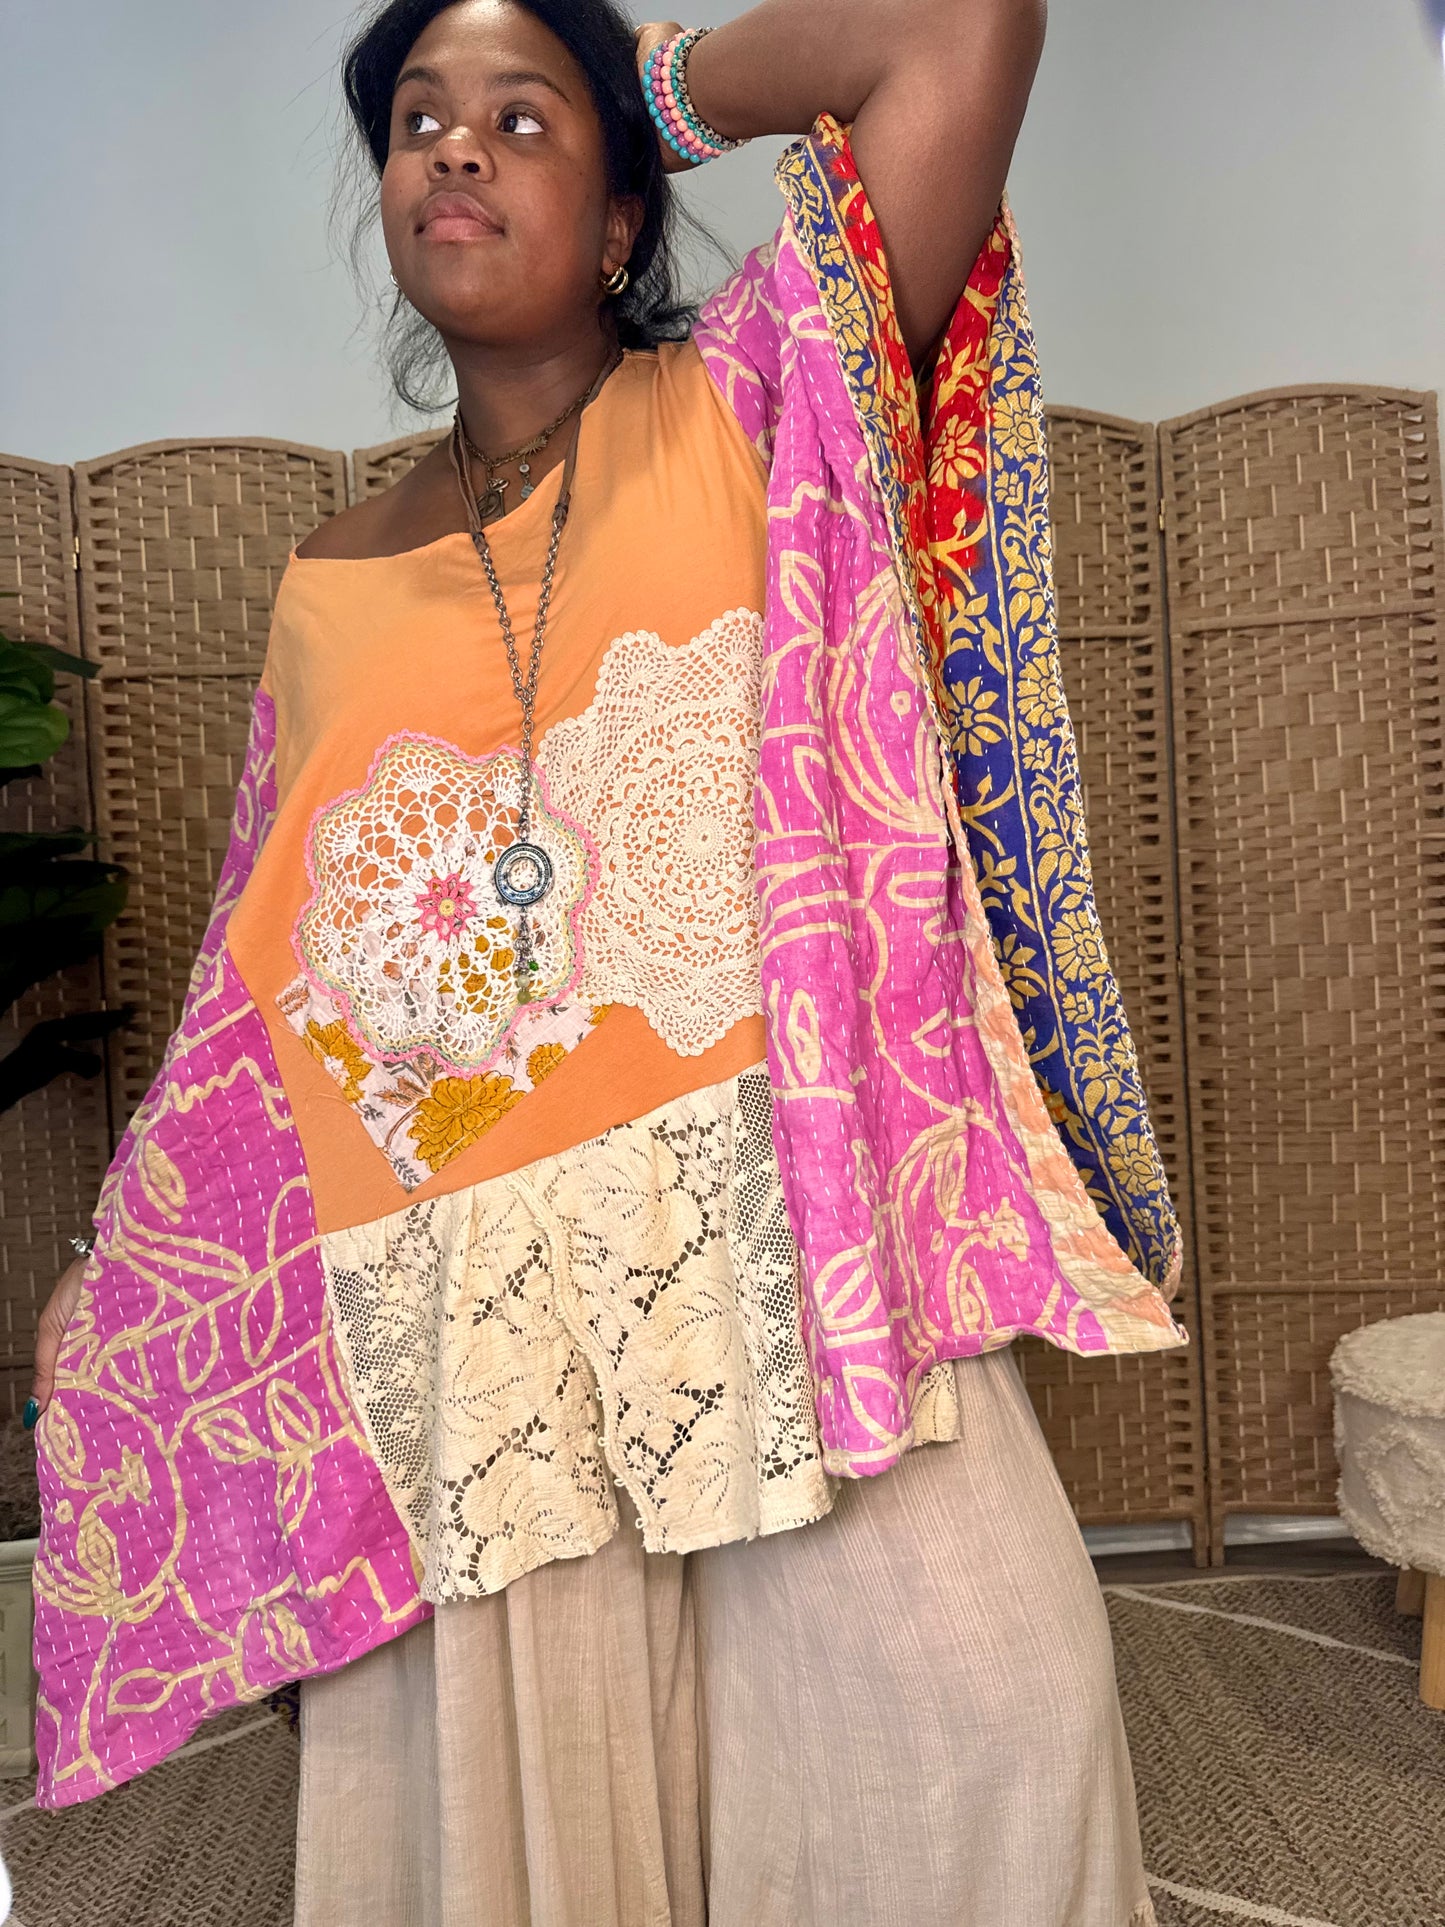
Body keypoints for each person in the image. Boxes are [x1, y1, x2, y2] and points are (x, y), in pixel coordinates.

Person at [29, 3, 1188, 1921]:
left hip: (788, 1225)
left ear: (627, 216)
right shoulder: (330, 573)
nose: (452, 150)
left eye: (516, 122)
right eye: (416, 121)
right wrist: (128, 1261)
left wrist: (637, 90)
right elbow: (274, 972)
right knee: (539, 1845)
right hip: (472, 1300)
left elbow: (958, 26)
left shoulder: (755, 395)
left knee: (992, 1725)